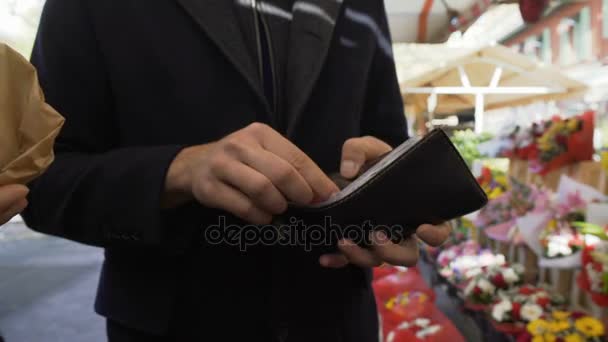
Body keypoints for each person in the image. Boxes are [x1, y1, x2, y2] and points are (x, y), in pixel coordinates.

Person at [22, 0, 452, 341]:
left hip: (339, 319)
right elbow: (39, 184)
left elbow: (386, 144)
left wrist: (394, 203)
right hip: (176, 327)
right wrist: (176, 171)